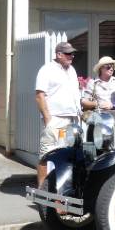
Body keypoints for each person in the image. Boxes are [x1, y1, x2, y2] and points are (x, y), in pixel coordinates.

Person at [35, 42, 82, 188]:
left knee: (68, 154)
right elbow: (39, 95)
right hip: (56, 119)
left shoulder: (72, 70)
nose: (72, 56)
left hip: (72, 119)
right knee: (47, 154)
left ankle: (62, 190)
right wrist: (48, 120)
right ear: (59, 54)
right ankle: (42, 192)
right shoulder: (47, 70)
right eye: (68, 53)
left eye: (73, 53)